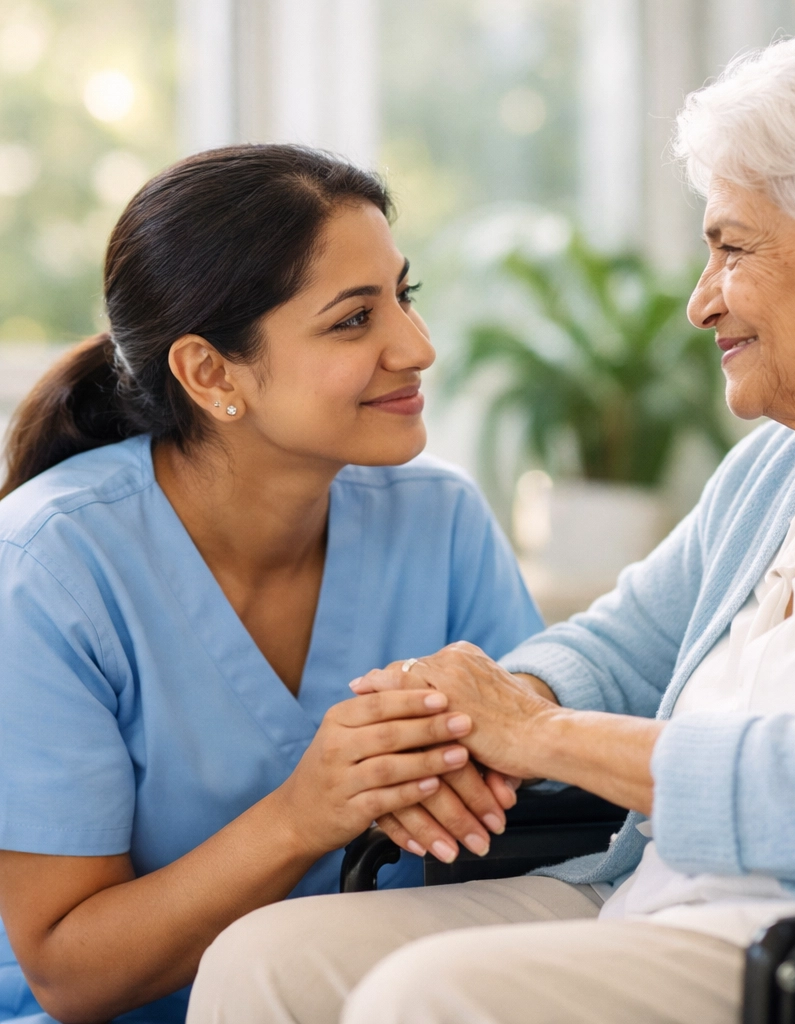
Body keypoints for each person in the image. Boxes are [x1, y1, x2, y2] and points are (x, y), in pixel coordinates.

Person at [185, 21, 795, 1024]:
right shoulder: (786, 462)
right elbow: (621, 643)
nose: (699, 303)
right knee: (264, 961)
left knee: (431, 998)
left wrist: (544, 733)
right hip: (653, 895)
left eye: (731, 249)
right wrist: (470, 721)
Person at [0, 144, 544, 1023]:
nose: (417, 347)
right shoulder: (46, 570)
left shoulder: (437, 519)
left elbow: (534, 809)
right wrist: (305, 813)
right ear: (211, 373)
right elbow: (68, 973)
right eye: (352, 321)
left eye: (403, 297)